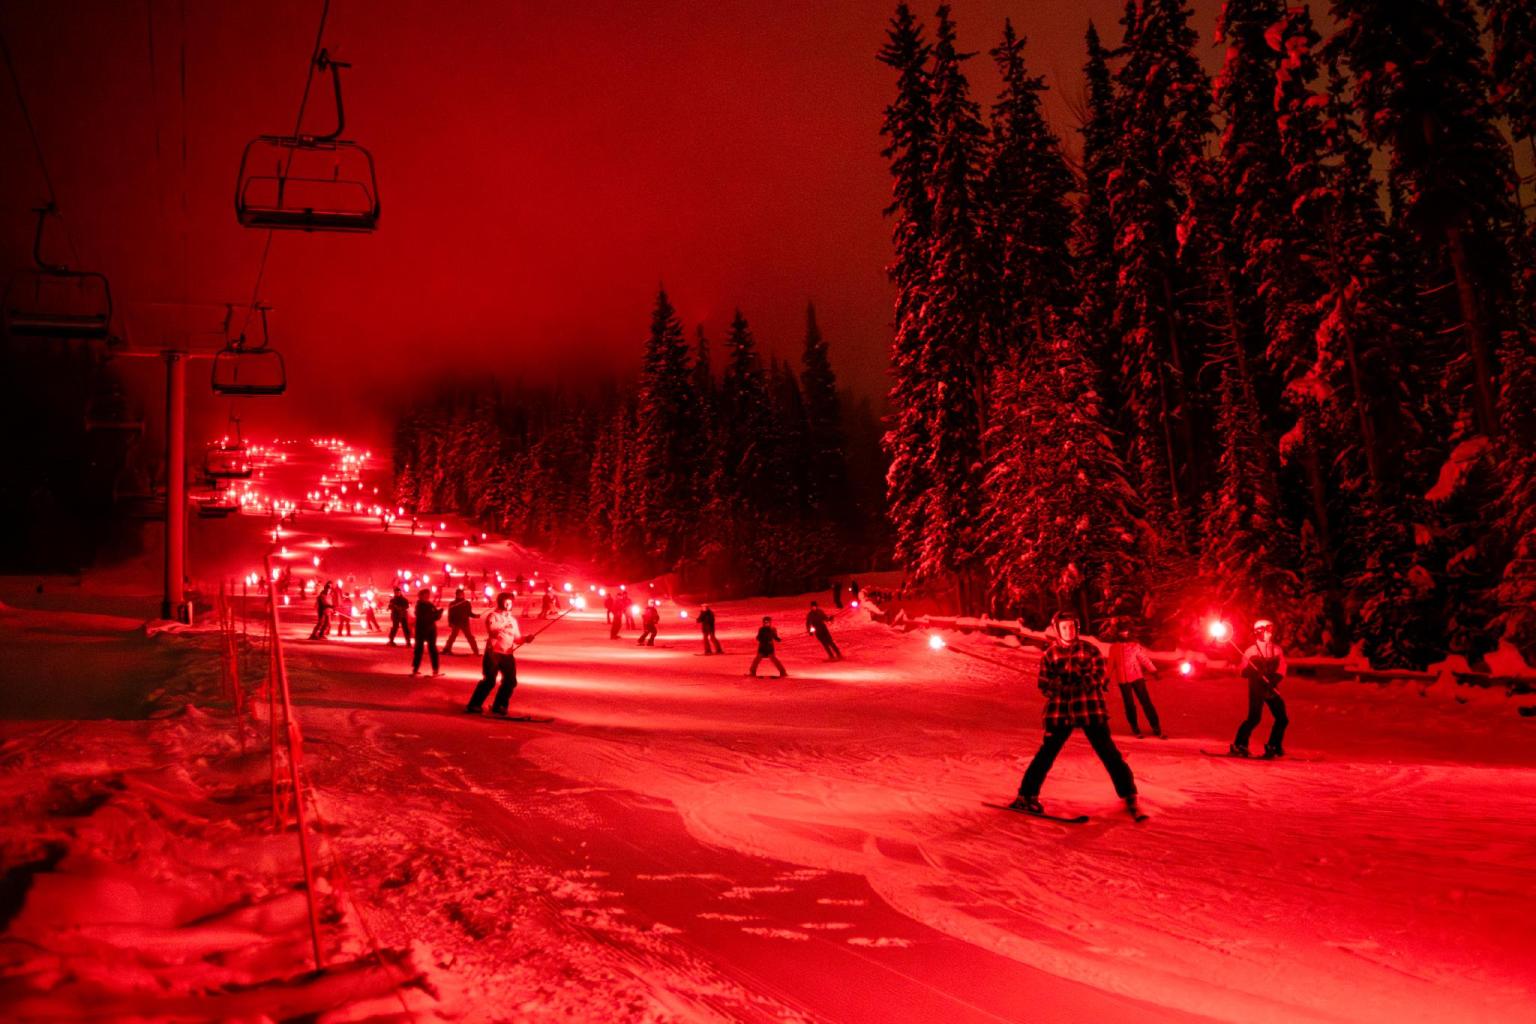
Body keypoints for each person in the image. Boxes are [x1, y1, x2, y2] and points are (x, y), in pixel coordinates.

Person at [1008, 613, 1139, 819]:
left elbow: (1098, 675)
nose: (1068, 631)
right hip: (1061, 711)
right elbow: (1043, 683)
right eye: (1064, 627)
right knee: (1046, 754)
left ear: (1076, 628)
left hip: (1089, 708)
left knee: (1108, 752)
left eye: (1071, 626)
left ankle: (1129, 794)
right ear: (1057, 630)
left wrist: (1078, 683)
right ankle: (1026, 795)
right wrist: (1055, 685)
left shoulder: (1090, 650)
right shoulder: (1050, 654)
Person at [1230, 619, 1289, 758]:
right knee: (1254, 718)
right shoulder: (1251, 651)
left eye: (1271, 630)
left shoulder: (1276, 650)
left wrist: (1275, 678)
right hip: (1256, 688)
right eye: (1267, 630)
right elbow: (1242, 671)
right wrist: (1250, 671)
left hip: (1270, 687)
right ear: (1259, 632)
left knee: (1282, 718)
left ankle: (1274, 745)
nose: (1270, 633)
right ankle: (1240, 744)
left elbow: (1282, 667)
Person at [467, 592, 527, 716]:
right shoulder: (493, 616)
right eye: (506, 601)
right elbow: (493, 631)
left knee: (510, 681)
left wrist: (525, 639)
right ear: (501, 602)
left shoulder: (512, 620)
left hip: (507, 654)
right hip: (493, 653)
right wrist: (504, 623)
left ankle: (499, 705)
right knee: (489, 680)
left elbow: (517, 638)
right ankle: (474, 704)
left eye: (510, 602)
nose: (509, 604)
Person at [1108, 624, 1162, 738]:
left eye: (1125, 632)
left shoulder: (1134, 646)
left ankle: (1155, 725)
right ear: (1118, 633)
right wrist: (1106, 679)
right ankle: (1134, 726)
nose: (1124, 634)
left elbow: (1144, 659)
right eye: (1121, 632)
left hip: (1137, 678)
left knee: (1145, 702)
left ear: (1128, 633)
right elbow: (1110, 665)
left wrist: (1153, 671)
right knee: (1129, 705)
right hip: (1123, 680)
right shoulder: (1114, 648)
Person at [411, 588, 443, 676]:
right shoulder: (419, 606)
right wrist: (434, 615)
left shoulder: (430, 604)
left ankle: (435, 669)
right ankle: (415, 669)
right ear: (421, 596)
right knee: (419, 649)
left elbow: (435, 617)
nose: (427, 597)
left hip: (431, 630)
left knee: (433, 649)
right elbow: (423, 617)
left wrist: (439, 613)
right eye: (425, 595)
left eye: (428, 595)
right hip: (421, 630)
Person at [442, 587, 480, 655]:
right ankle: (447, 649)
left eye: (462, 594)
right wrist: (450, 622)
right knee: (453, 637)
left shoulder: (466, 603)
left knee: (469, 637)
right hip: (456, 622)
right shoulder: (453, 603)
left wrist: (475, 616)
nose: (460, 595)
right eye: (459, 594)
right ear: (456, 595)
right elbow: (450, 614)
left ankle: (476, 651)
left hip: (464, 623)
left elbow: (469, 613)